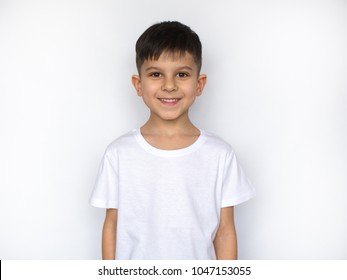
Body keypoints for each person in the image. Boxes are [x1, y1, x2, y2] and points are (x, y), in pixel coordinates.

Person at [89, 21, 256, 260]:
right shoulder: (119, 153)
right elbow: (112, 225)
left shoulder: (220, 155)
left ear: (199, 84)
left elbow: (225, 231)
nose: (169, 85)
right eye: (156, 74)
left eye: (182, 74)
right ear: (138, 84)